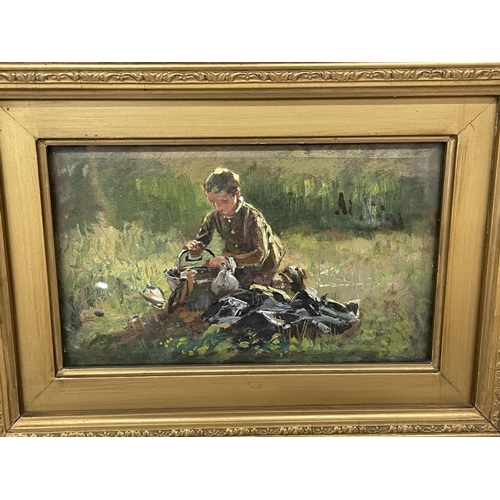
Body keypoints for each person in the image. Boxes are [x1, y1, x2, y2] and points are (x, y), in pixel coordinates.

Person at [185, 168, 285, 286]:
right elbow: (202, 240)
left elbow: (259, 254)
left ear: (236, 195)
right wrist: (195, 247)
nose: (218, 208)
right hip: (236, 266)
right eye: (212, 202)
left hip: (263, 269)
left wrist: (228, 261)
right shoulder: (214, 216)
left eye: (223, 202)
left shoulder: (252, 217)